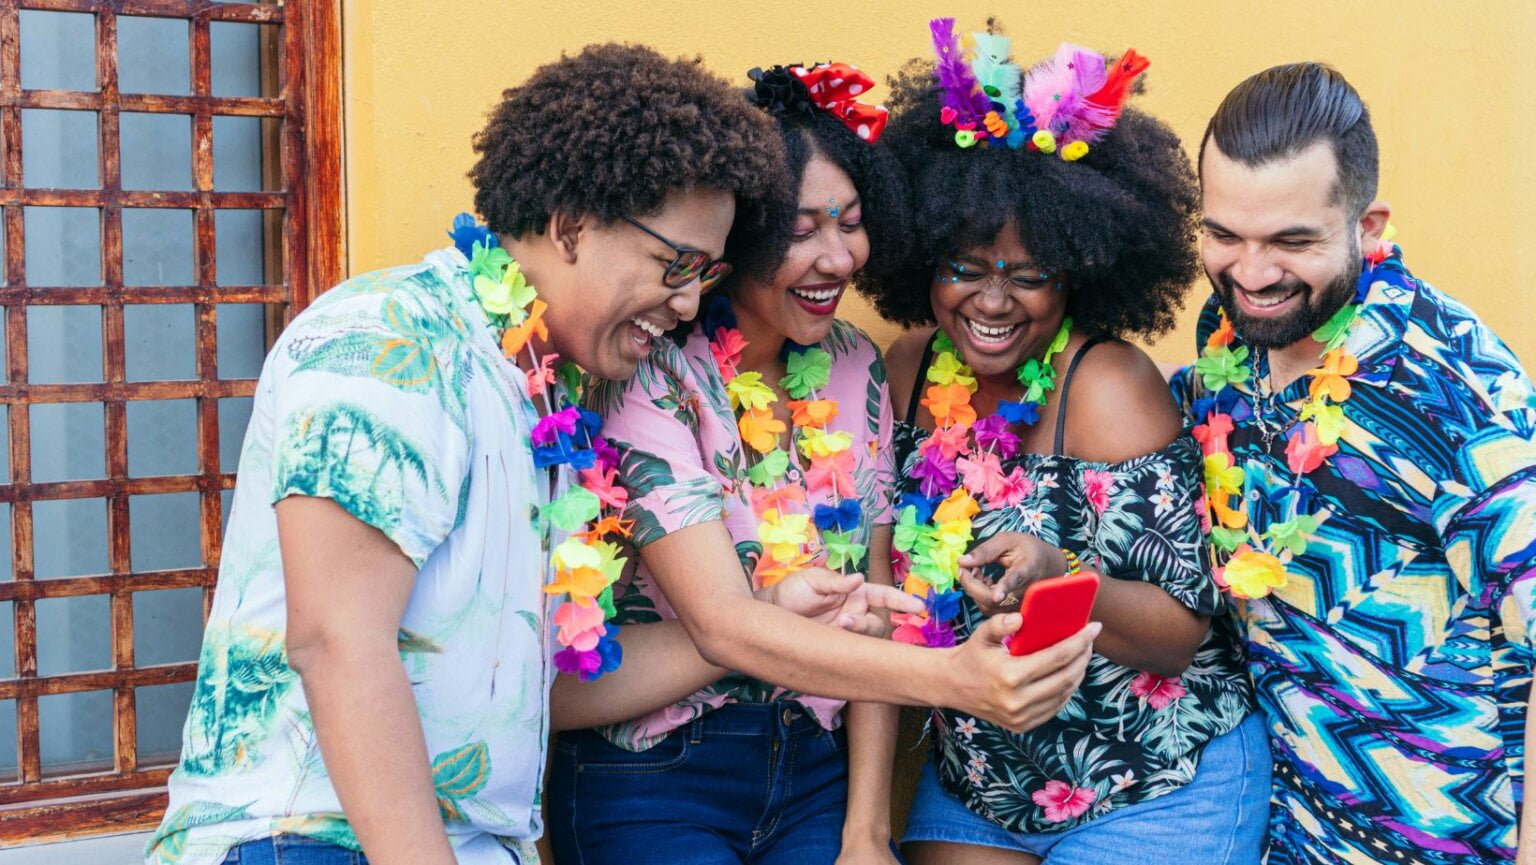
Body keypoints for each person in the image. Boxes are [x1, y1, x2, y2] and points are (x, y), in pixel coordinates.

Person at [145, 44, 794, 865]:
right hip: (308, 838)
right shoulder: (389, 337)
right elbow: (337, 642)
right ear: (571, 225)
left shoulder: (542, 394)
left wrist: (760, 621)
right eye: (677, 264)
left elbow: (536, 686)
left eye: (709, 272)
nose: (692, 301)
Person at [546, 60, 1098, 865]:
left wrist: (865, 830)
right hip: (657, 771)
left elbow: (874, 599)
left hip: (812, 766)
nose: (838, 259)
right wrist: (956, 678)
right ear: (737, 239)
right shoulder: (651, 370)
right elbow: (722, 623)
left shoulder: (853, 362)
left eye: (851, 223)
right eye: (801, 231)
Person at [871, 22, 1267, 864]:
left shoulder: (1108, 387)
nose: (993, 301)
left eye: (1029, 275)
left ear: (1076, 274)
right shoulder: (905, 372)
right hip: (984, 784)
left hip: (1155, 777)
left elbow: (1177, 632)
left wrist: (1061, 577)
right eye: (965, 267)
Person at [1174, 62, 1536, 864]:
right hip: (1287, 833)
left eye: (1292, 241)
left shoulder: (1452, 386)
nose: (1252, 273)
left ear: (1368, 227)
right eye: (1224, 235)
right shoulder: (1230, 334)